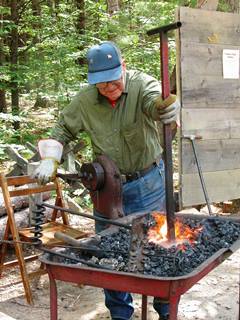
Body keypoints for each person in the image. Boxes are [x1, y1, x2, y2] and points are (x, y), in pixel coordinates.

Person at [34, 41, 180, 320]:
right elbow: (62, 128)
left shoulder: (141, 85)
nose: (108, 88)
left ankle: (165, 310)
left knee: (156, 248)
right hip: (107, 189)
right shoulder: (86, 100)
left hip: (147, 181)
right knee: (108, 253)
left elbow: (155, 102)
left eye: (112, 82)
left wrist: (167, 107)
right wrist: (50, 157)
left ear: (123, 67)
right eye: (101, 85)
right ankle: (120, 315)